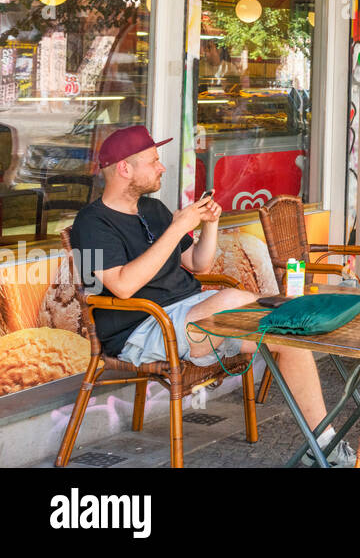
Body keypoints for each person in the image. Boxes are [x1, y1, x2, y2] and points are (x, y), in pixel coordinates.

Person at [68, 126, 345, 462]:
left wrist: (209, 223)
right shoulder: (91, 222)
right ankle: (300, 313)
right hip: (143, 330)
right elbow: (122, 286)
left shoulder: (153, 210)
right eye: (154, 161)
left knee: (286, 337)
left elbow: (198, 264)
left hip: (190, 315)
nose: (162, 167)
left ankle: (325, 447)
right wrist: (175, 228)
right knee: (236, 301)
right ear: (125, 168)